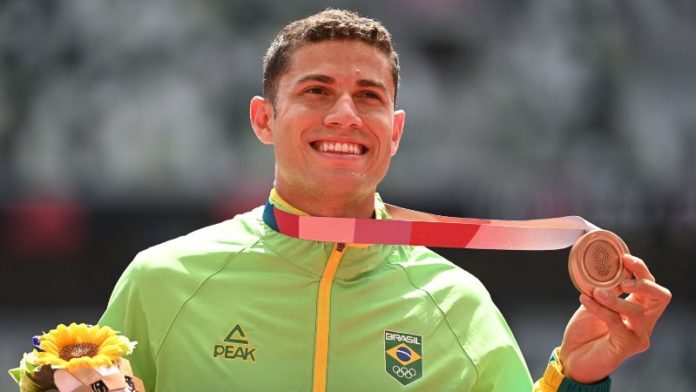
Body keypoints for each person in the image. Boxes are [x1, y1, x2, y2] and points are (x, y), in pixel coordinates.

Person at [99, 9, 671, 391]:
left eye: (367, 96)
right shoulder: (163, 282)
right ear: (263, 118)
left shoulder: (458, 306)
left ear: (394, 132)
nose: (345, 113)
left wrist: (577, 377)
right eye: (317, 90)